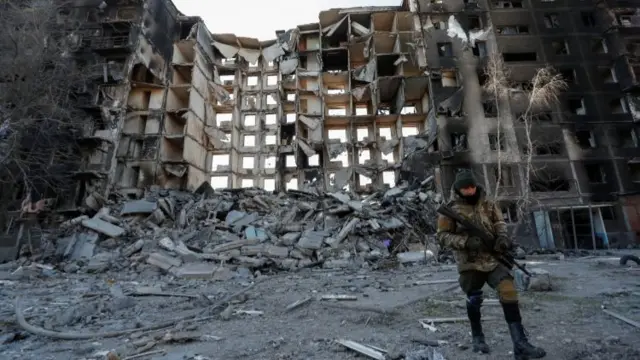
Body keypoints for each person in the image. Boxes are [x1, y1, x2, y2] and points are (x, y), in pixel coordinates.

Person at [436, 170, 546, 360]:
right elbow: (442, 237)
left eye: (471, 186)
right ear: (458, 189)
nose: (469, 190)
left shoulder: (488, 203)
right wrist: (465, 242)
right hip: (470, 263)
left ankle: (520, 344)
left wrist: (502, 238)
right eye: (465, 188)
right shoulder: (451, 209)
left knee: (508, 290)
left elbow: (499, 222)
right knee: (474, 298)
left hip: (493, 258)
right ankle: (478, 338)